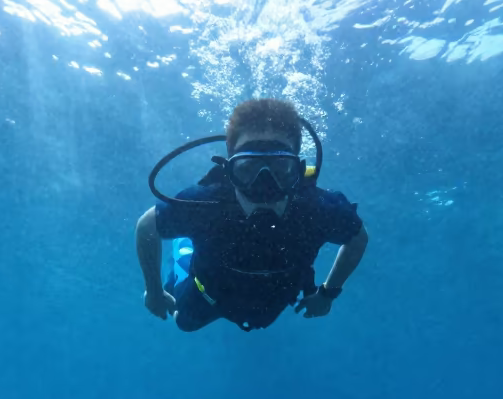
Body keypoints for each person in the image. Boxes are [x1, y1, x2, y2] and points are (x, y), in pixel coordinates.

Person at [136, 98, 368, 332]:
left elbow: (358, 238)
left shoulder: (316, 208)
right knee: (182, 322)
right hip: (208, 297)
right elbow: (147, 225)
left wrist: (329, 293)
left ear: (296, 171)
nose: (264, 184)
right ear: (229, 170)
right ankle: (184, 249)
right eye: (248, 168)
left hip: (271, 305)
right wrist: (155, 290)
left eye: (280, 167)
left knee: (262, 320)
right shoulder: (206, 205)